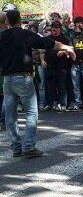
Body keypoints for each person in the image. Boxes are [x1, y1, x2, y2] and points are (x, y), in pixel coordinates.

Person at [0, 10, 74, 158]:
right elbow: (48, 42)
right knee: (31, 112)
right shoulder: (25, 34)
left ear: (7, 21)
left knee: (10, 116)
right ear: (20, 20)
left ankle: (16, 147)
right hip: (24, 78)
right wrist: (66, 47)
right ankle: (29, 146)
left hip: (7, 80)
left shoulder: (2, 37)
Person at [42, 21, 70, 112]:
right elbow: (42, 51)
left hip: (61, 66)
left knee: (62, 85)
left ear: (60, 28)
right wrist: (42, 60)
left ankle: (63, 104)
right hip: (50, 65)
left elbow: (70, 50)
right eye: (53, 27)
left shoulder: (65, 39)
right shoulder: (48, 38)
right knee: (50, 86)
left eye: (56, 27)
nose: (54, 29)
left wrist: (63, 52)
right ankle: (51, 104)